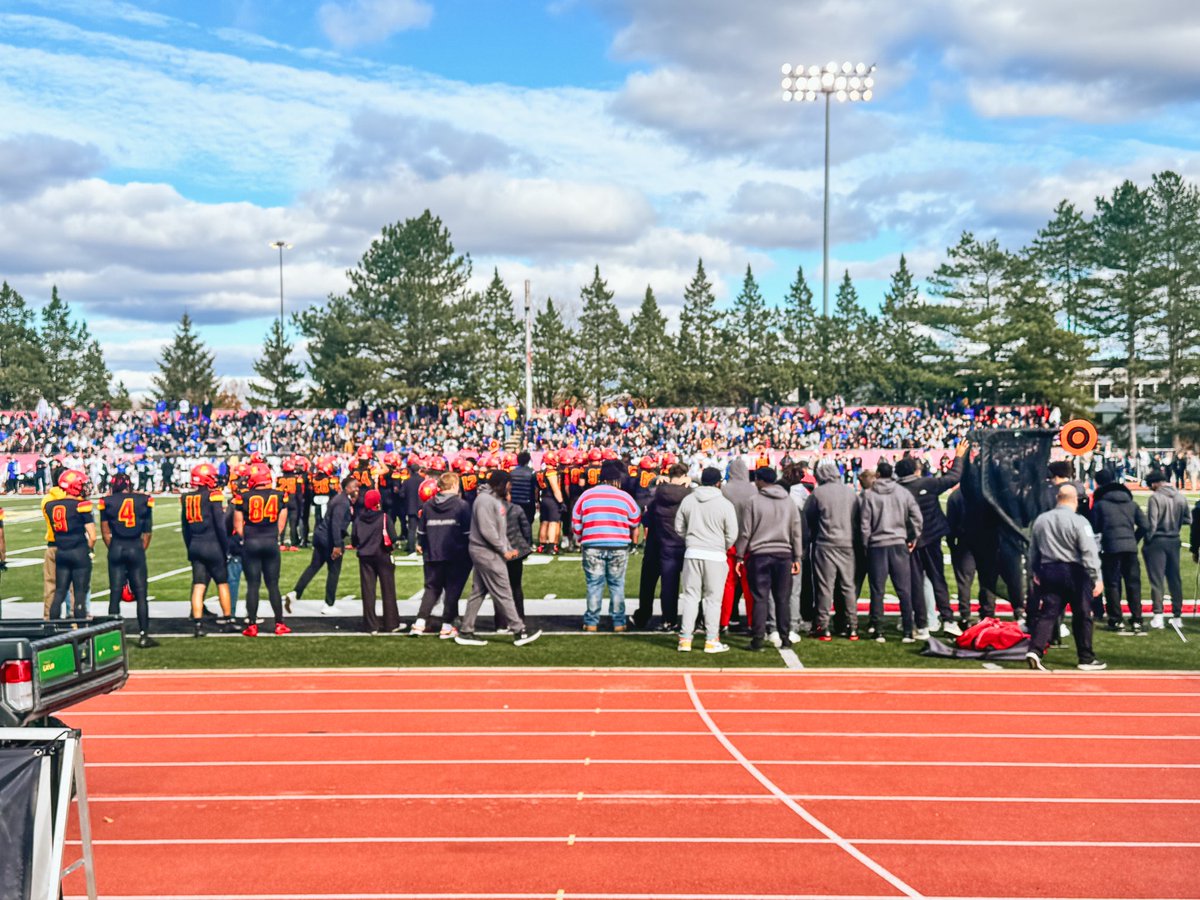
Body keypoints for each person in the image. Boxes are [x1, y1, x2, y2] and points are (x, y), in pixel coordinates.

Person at [1025, 484, 1106, 671]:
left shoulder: (1041, 520)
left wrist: (1034, 571)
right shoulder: (1080, 522)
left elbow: (1033, 550)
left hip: (1049, 569)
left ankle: (1035, 649)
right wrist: (1097, 577)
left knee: (1049, 612)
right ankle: (1085, 657)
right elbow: (1089, 551)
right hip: (1075, 572)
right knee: (1083, 614)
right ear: (1075, 500)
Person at [456, 469, 540, 647]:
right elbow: (488, 530)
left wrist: (507, 547)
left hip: (486, 550)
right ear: (501, 483)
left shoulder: (490, 499)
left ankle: (466, 630)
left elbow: (497, 529)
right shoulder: (486, 500)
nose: (510, 488)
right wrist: (504, 550)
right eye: (509, 484)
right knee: (504, 591)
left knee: (478, 592)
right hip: (487, 552)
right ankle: (519, 631)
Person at [895, 441, 969, 637]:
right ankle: (947, 619)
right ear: (916, 470)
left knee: (916, 582)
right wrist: (959, 456)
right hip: (932, 536)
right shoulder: (926, 483)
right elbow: (953, 477)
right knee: (938, 579)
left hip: (910, 541)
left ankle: (919, 623)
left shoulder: (896, 490)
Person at [734, 468, 803, 651]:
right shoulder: (789, 502)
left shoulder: (754, 501)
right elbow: (796, 532)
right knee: (783, 598)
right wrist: (797, 556)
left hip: (760, 555)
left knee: (760, 598)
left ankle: (758, 639)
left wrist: (740, 556)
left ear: (759, 480)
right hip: (783, 554)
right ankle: (785, 637)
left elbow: (746, 532)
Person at [572, 459, 641, 632]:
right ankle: (619, 622)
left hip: (592, 544)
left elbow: (576, 522)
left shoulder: (586, 495)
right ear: (617, 480)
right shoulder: (624, 496)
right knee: (617, 584)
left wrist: (581, 536)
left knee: (594, 584)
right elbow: (635, 519)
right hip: (618, 544)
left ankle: (591, 622)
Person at [675, 467, 739, 653]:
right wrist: (722, 546)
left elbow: (679, 526)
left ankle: (685, 639)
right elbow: (732, 533)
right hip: (716, 555)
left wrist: (691, 539)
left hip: (693, 552)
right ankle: (711, 639)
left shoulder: (689, 500)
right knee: (713, 599)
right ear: (719, 482)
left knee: (690, 597)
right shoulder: (725, 504)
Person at [859, 461, 923, 643]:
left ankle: (878, 630)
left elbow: (865, 524)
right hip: (898, 543)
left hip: (877, 545)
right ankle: (908, 631)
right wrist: (913, 537)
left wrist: (866, 544)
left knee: (877, 590)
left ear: (878, 474)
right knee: (904, 589)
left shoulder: (869, 495)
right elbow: (917, 517)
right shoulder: (902, 492)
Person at [804, 459, 860, 641]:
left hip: (825, 544)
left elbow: (808, 519)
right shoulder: (851, 492)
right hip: (847, 543)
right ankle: (852, 627)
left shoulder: (818, 493)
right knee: (848, 586)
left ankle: (822, 627)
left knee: (824, 587)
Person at [286, 476, 358, 616]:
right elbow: (335, 524)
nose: (357, 489)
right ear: (347, 488)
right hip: (329, 539)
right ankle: (329, 604)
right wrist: (337, 544)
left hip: (321, 536)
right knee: (334, 571)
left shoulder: (339, 499)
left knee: (313, 567)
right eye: (354, 486)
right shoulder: (342, 502)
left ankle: (295, 593)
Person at [413, 471, 472, 638]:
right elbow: (467, 532)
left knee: (431, 589)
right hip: (455, 553)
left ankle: (419, 623)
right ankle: (447, 625)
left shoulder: (428, 505)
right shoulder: (461, 505)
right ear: (454, 486)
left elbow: (422, 533)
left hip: (432, 553)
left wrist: (424, 547)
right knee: (452, 591)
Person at [234, 461, 289, 637]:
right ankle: (279, 624)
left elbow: (238, 525)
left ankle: (252, 625)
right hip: (270, 541)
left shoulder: (242, 496)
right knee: (273, 585)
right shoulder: (280, 494)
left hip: (252, 542)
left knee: (253, 585)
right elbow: (282, 522)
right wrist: (273, 535)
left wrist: (249, 537)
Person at [99, 472, 155, 647]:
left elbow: (105, 531)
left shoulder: (106, 501)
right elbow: (147, 531)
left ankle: (112, 636)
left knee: (115, 593)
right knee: (141, 593)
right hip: (135, 546)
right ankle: (144, 634)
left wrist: (114, 547)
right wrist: (139, 549)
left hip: (116, 546)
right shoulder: (144, 500)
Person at [633, 462, 691, 631]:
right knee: (688, 587)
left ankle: (652, 617)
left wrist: (656, 480)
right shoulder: (690, 494)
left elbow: (646, 519)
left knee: (655, 584)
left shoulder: (658, 494)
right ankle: (686, 619)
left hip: (659, 544)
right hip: (685, 544)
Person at [1089, 468, 1148, 634]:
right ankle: (1137, 618)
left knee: (1112, 584)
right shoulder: (1131, 503)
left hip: (1110, 547)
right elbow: (1145, 526)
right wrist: (1133, 540)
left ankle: (1116, 619)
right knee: (1133, 583)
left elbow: (1095, 528)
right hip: (1130, 547)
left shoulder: (1100, 505)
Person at [181, 463, 232, 637]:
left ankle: (198, 624)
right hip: (213, 544)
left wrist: (190, 547)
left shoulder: (186, 497)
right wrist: (226, 548)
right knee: (222, 582)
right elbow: (220, 525)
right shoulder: (213, 496)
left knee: (198, 585)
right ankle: (227, 620)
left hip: (195, 544)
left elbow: (185, 528)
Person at [45, 470, 95, 620]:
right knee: (79, 594)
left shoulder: (50, 505)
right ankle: (81, 635)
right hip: (78, 551)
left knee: (59, 592)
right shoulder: (81, 505)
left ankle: (52, 628)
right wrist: (89, 549)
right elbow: (92, 536)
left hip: (62, 551)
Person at [351, 488, 402, 634]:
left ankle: (370, 625)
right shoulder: (384, 517)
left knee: (368, 591)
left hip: (365, 557)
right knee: (388, 590)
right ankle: (391, 623)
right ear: (378, 502)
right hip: (382, 555)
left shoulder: (359, 518)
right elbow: (392, 537)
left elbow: (354, 540)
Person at [1143, 470, 1189, 629]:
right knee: (1174, 579)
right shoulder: (1180, 496)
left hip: (1157, 541)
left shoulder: (1155, 498)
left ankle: (1158, 615)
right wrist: (1174, 523)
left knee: (1157, 580)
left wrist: (1147, 540)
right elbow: (1188, 519)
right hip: (1174, 539)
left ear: (1155, 483)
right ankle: (1177, 615)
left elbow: (1152, 524)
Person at [722, 456, 757, 628]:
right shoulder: (753, 490)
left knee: (728, 583)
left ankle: (725, 620)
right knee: (749, 585)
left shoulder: (724, 490)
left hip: (729, 542)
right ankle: (752, 621)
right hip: (749, 542)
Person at [496, 478, 534, 631]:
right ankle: (519, 619)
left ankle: (500, 622)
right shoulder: (516, 509)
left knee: (499, 588)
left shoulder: (491, 510)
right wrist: (526, 544)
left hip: (498, 552)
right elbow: (526, 530)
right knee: (516, 586)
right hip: (515, 551)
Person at [535, 450, 565, 554]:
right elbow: (555, 489)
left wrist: (537, 500)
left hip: (544, 498)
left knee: (544, 522)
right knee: (553, 522)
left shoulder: (541, 472)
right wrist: (561, 502)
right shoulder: (551, 473)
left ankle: (542, 545)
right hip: (552, 500)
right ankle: (551, 546)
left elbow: (537, 489)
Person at [507, 451, 537, 530]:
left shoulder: (512, 473)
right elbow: (535, 489)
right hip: (528, 502)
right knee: (527, 523)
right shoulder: (532, 473)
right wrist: (537, 500)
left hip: (514, 501)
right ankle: (527, 541)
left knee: (516, 523)